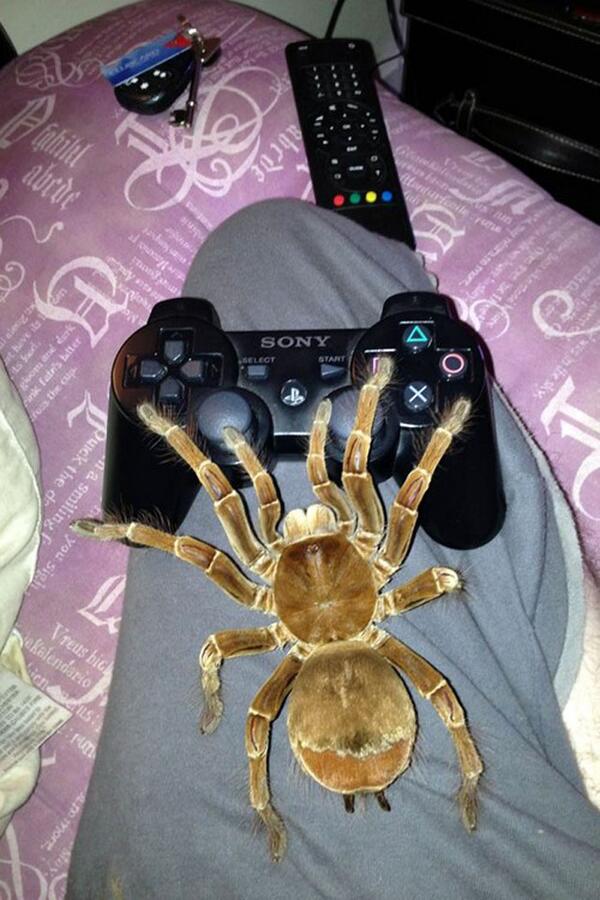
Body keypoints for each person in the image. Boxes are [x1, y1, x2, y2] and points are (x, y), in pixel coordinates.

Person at [66, 200, 600, 900]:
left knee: (226, 533)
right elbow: (399, 504)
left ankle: (274, 820)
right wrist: (408, 412)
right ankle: (466, 782)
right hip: (374, 656)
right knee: (433, 658)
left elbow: (214, 542)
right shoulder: (381, 560)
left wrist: (152, 491)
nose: (305, 524)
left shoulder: (257, 595)